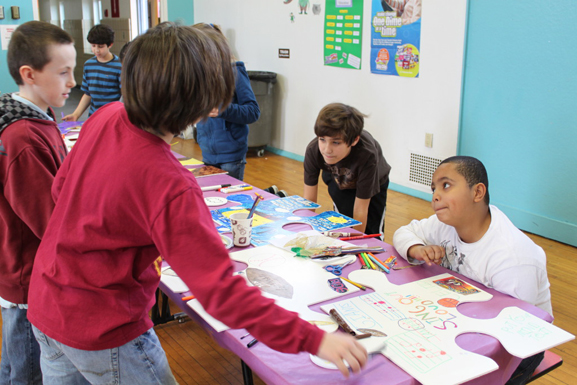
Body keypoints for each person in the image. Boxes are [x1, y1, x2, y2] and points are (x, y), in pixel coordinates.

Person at [27, 23, 367, 384]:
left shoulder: (108, 115)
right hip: (103, 327)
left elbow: (60, 190)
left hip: (46, 300)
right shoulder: (169, 181)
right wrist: (314, 339)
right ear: (201, 102)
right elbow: (221, 292)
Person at [393, 155, 552, 385]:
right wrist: (417, 248)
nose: (436, 196)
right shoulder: (444, 224)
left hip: (516, 349)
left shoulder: (513, 256)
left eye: (446, 185)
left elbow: (513, 332)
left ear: (477, 193)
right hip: (465, 319)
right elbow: (404, 232)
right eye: (433, 188)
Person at [0, 21, 76, 384]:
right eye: (63, 72)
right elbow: (50, 222)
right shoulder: (24, 137)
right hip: (29, 278)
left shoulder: (33, 120)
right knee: (26, 373)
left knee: (15, 365)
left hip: (27, 271)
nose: (72, 82)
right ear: (29, 74)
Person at [304, 103, 391, 237]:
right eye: (322, 139)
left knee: (371, 232)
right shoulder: (313, 150)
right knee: (342, 223)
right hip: (337, 178)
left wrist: (357, 242)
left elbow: (361, 209)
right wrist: (306, 233)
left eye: (336, 142)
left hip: (373, 182)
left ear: (355, 140)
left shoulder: (367, 155)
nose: (327, 149)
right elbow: (309, 200)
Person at [193, 23, 260, 181]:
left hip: (231, 156)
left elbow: (253, 112)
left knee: (231, 200)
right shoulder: (199, 75)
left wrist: (223, 109)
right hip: (208, 153)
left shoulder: (235, 71)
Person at [63, 24, 121, 121]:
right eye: (93, 46)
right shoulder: (88, 65)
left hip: (114, 118)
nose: (96, 50)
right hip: (94, 117)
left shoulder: (119, 65)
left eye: (100, 46)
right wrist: (76, 115)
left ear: (110, 44)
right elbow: (88, 94)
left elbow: (124, 97)